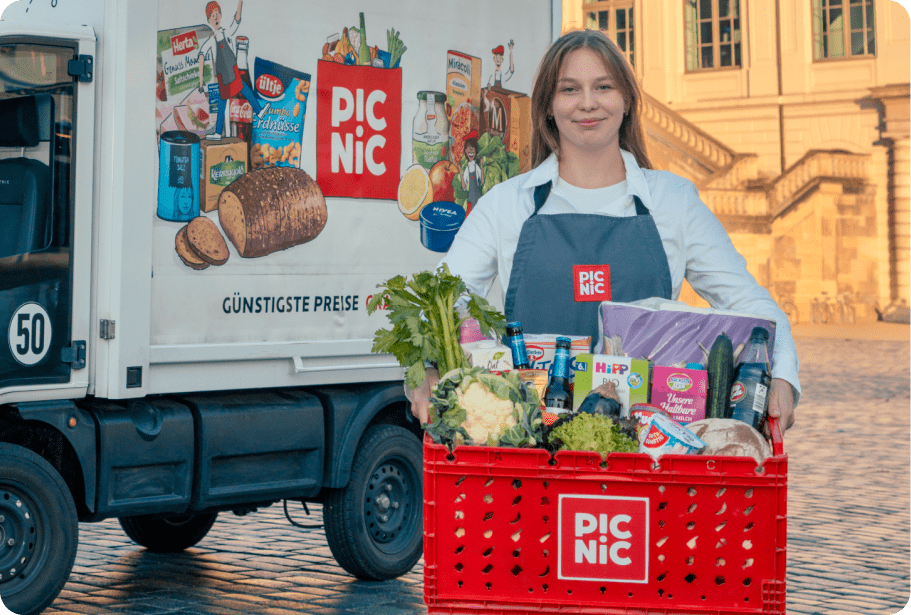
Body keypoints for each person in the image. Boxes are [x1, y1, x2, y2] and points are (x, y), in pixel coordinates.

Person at [411, 29, 799, 436]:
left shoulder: (672, 201)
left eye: (603, 87)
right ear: (548, 106)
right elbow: (442, 299)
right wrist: (426, 371)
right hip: (530, 448)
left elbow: (749, 301)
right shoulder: (506, 205)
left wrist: (783, 376)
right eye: (569, 89)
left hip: (646, 445)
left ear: (626, 100)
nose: (587, 103)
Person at [197, 0, 266, 140]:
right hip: (223, 75)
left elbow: (237, 20)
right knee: (224, 102)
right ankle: (219, 132)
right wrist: (200, 81)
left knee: (244, 90)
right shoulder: (211, 41)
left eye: (217, 14)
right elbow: (201, 56)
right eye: (212, 16)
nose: (216, 17)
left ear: (221, 15)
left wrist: (240, 2)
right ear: (209, 20)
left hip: (232, 70)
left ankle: (258, 112)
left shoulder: (227, 33)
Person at [460, 131, 484, 213]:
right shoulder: (467, 169)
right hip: (470, 197)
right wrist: (460, 171)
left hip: (478, 195)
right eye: (468, 151)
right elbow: (463, 187)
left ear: (475, 152)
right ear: (465, 152)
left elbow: (482, 182)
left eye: (473, 151)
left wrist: (481, 165)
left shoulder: (477, 167)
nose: (471, 153)